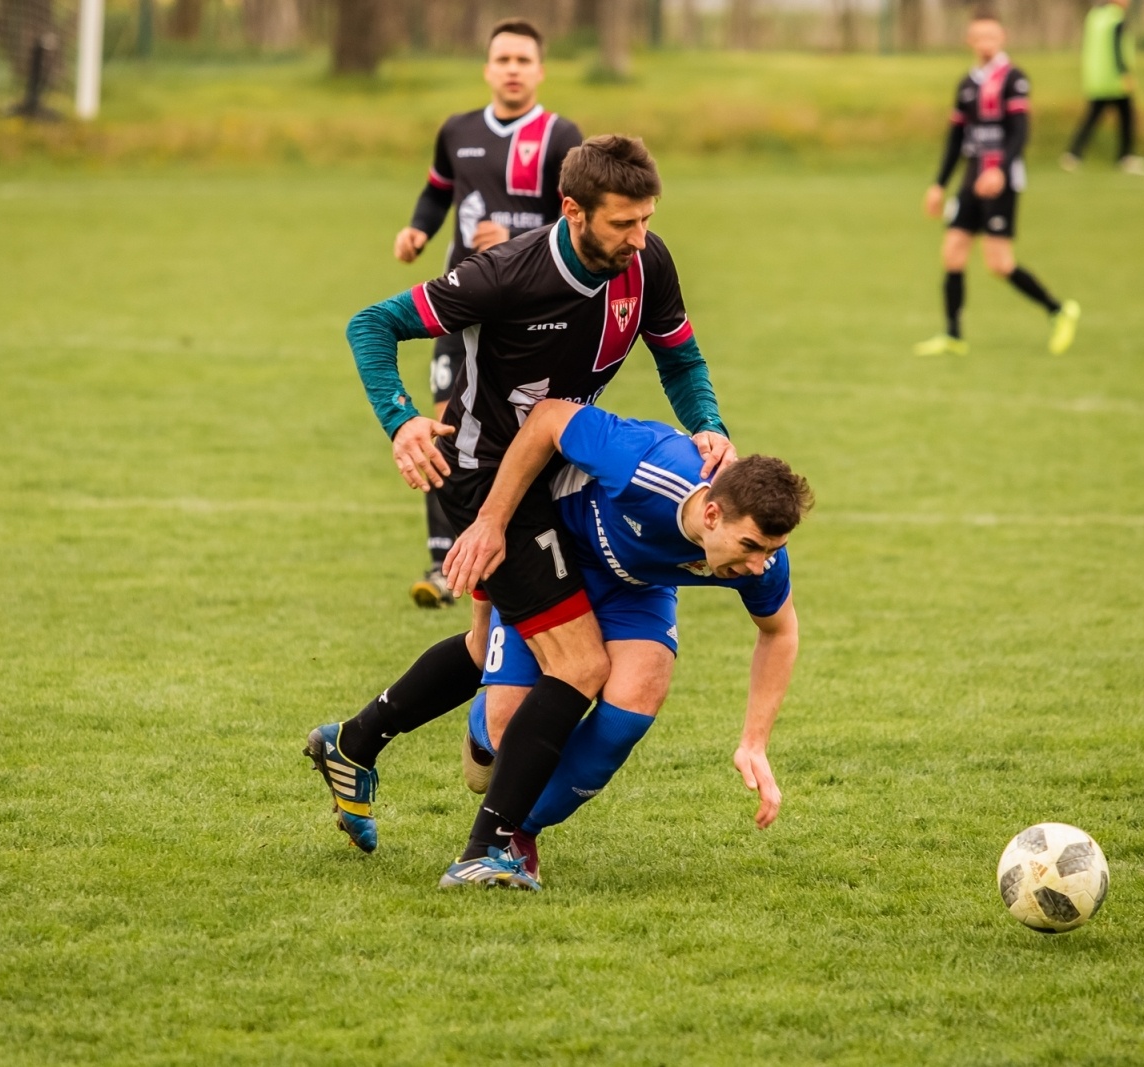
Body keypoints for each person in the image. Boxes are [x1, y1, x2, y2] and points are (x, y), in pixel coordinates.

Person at [308, 135, 735, 890]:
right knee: (579, 663)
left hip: (555, 466)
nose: (640, 239)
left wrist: (709, 423)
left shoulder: (649, 261)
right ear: (572, 210)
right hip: (481, 482)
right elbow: (369, 325)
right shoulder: (503, 275)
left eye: (647, 220)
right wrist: (402, 418)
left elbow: (680, 355)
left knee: (485, 644)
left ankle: (353, 742)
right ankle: (489, 846)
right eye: (623, 224)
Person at [443, 400, 812, 886]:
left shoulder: (760, 562)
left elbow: (779, 632)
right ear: (712, 513)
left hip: (637, 588)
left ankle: (517, 834)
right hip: (558, 558)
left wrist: (754, 743)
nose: (758, 565)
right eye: (749, 547)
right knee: (503, 729)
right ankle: (482, 728)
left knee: (635, 699)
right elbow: (550, 417)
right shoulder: (647, 462)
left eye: (772, 550)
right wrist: (490, 521)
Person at [394, 18, 584, 609]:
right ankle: (444, 560)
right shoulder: (457, 130)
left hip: (529, 314)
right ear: (486, 68)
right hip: (463, 305)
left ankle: (522, 547)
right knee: (446, 424)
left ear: (540, 70)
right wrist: (418, 229)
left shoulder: (559, 136)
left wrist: (519, 228)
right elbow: (437, 191)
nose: (512, 69)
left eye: (523, 60)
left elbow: (580, 221)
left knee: (522, 432)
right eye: (502, 59)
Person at [914, 10, 1082, 359]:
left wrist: (1001, 168)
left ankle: (1058, 310)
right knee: (953, 252)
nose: (986, 43)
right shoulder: (967, 83)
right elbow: (956, 137)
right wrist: (938, 184)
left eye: (992, 36)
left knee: (999, 263)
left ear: (1002, 38)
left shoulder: (1013, 78)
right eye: (980, 37)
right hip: (971, 178)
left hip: (1000, 180)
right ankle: (953, 335)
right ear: (969, 41)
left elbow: (1021, 132)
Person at [1062, 0, 1144, 175]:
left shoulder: (1094, 16)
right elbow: (1117, 48)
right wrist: (1124, 73)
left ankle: (1073, 154)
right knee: (1127, 118)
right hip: (1114, 79)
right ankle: (1126, 156)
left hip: (1096, 78)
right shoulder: (1116, 18)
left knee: (1092, 117)